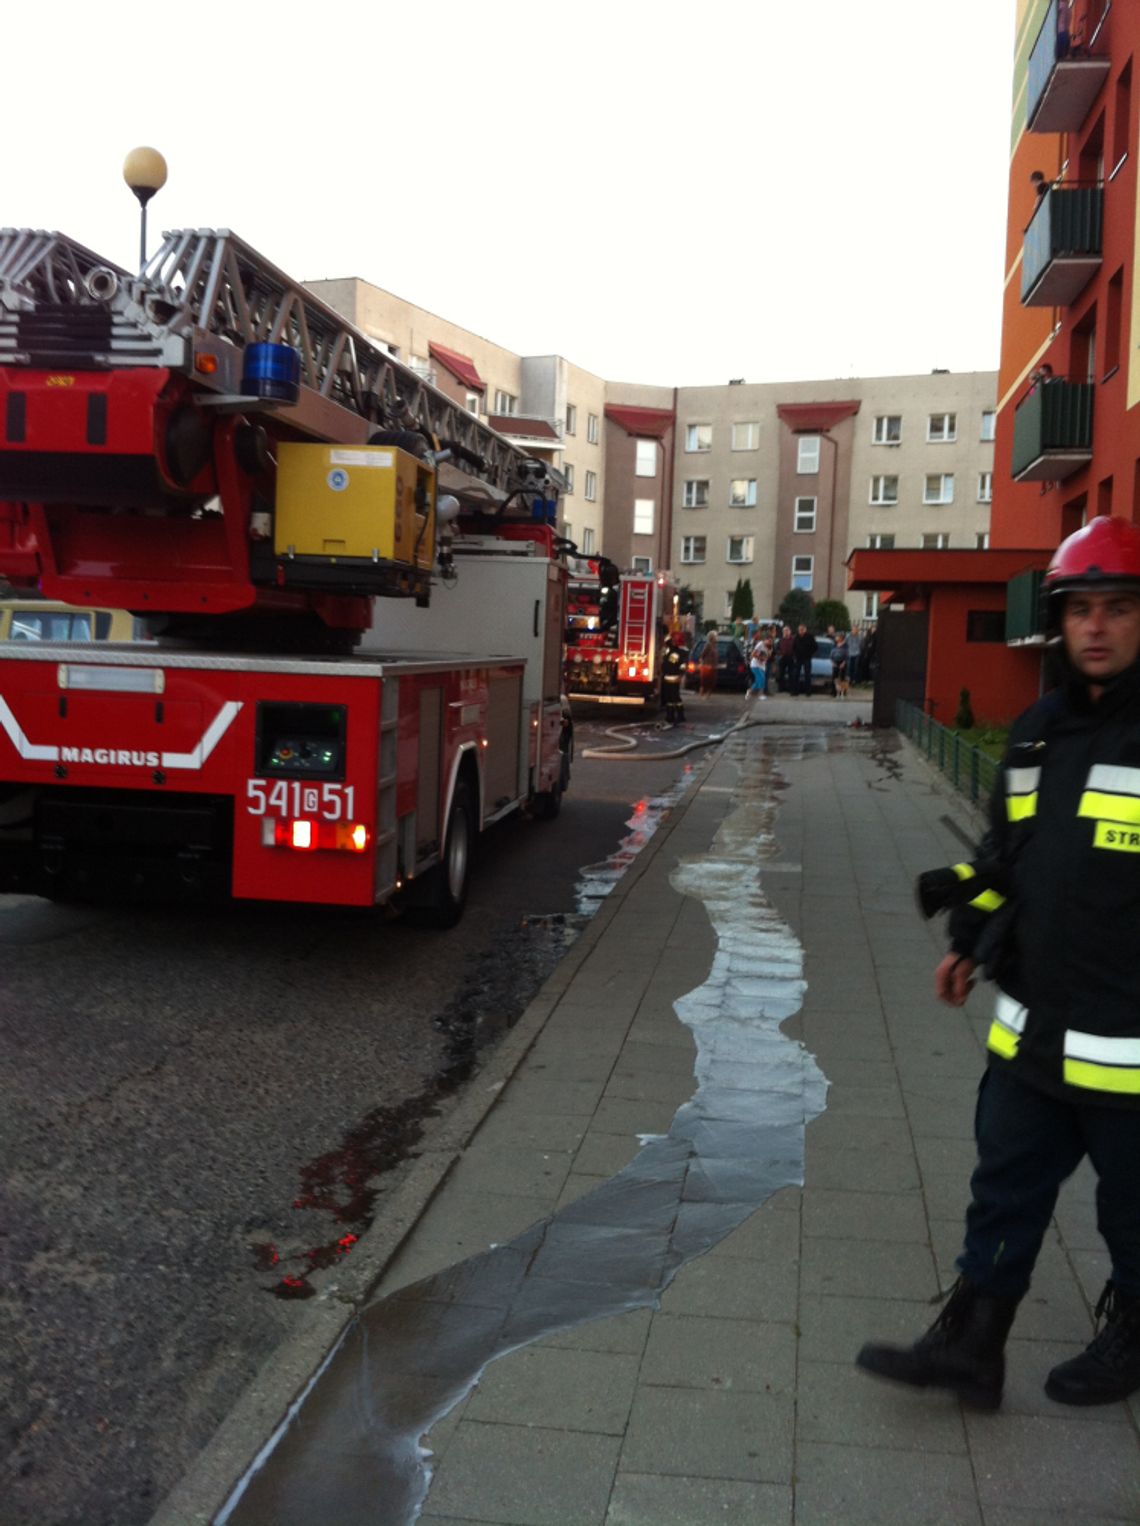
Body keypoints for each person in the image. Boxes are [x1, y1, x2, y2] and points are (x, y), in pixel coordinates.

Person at [856, 516, 1140, 1412]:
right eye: (1080, 608)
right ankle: (974, 1347)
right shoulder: (1035, 735)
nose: (1096, 626)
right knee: (1003, 1194)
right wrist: (969, 946)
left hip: (1132, 1052)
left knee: (1132, 1216)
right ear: (1059, 621)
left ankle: (1134, 1332)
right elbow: (1003, 863)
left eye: (1119, 608)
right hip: (1033, 1031)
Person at [661, 631, 688, 725]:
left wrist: (680, 675)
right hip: (671, 678)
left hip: (672, 678)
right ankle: (675, 716)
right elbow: (666, 641)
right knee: (672, 699)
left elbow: (674, 666)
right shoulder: (676, 651)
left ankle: (675, 716)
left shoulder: (676, 653)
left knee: (673, 699)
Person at [791, 623, 817, 696]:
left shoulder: (810, 637)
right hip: (798, 659)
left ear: (805, 630)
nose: (801, 631)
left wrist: (810, 654)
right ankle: (795, 692)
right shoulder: (796, 637)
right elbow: (793, 647)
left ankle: (808, 692)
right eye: (799, 629)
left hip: (807, 658)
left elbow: (815, 647)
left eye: (802, 629)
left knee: (807, 675)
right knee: (796, 675)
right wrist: (795, 656)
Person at [830, 629, 850, 697]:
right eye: (836, 637)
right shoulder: (834, 644)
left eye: (837, 636)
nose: (836, 638)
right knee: (834, 678)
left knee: (842, 678)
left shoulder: (845, 645)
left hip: (842, 662)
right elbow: (831, 654)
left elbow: (847, 655)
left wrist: (843, 663)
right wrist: (832, 662)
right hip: (835, 662)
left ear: (841, 637)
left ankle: (843, 692)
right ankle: (834, 692)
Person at [777, 625, 795, 692]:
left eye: (787, 630)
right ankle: (781, 688)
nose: (786, 632)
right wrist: (779, 653)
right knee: (781, 674)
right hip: (782, 658)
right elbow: (777, 648)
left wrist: (794, 655)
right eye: (784, 631)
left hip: (791, 658)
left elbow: (796, 648)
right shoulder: (780, 640)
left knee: (791, 674)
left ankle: (791, 689)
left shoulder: (793, 639)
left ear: (790, 632)